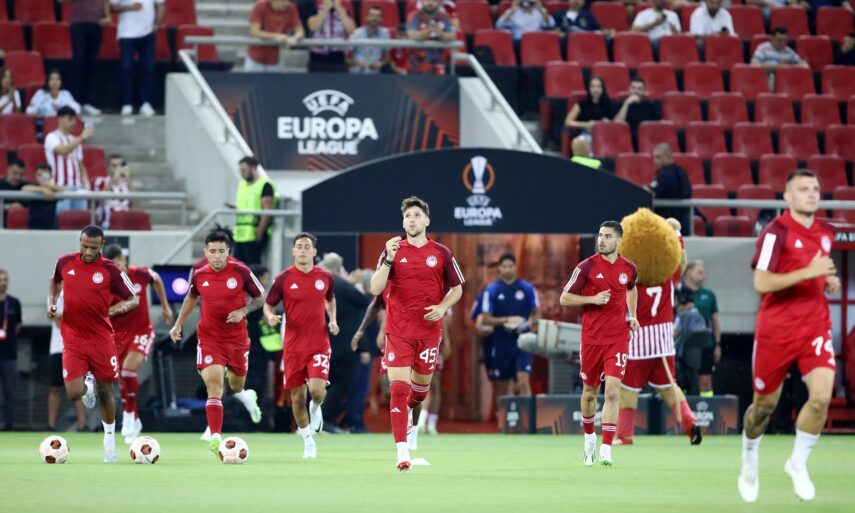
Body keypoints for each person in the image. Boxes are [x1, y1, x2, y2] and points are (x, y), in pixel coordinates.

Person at [738, 169, 839, 503]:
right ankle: (749, 453)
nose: (811, 194)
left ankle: (797, 463)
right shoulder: (775, 232)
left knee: (821, 397)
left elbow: (818, 272)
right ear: (788, 197)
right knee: (763, 408)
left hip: (815, 326)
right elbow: (761, 282)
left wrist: (826, 281)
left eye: (815, 188)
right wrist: (808, 273)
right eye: (803, 189)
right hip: (776, 330)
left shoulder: (826, 232)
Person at [369, 196, 464, 471]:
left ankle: (410, 411)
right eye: (407, 216)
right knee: (398, 389)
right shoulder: (392, 250)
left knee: (420, 392)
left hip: (428, 332)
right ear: (403, 222)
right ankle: (402, 451)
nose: (411, 220)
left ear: (427, 221)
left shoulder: (442, 253)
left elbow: (457, 289)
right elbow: (375, 289)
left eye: (416, 215)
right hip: (398, 330)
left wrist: (442, 307)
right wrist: (388, 259)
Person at [47, 225, 140, 462]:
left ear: (102, 244)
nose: (88, 251)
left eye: (93, 247)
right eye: (85, 246)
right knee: (73, 393)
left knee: (106, 390)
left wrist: (119, 308)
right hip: (73, 338)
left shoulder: (111, 270)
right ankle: (87, 387)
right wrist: (52, 303)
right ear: (80, 241)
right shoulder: (65, 262)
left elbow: (134, 299)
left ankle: (109, 440)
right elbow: (54, 282)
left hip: (101, 339)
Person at [169, 229, 265, 455]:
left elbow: (261, 298)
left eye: (221, 251)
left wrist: (243, 311)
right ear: (206, 252)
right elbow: (191, 297)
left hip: (237, 339)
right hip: (210, 338)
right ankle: (215, 436)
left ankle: (246, 395)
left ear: (228, 251)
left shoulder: (241, 271)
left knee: (236, 385)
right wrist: (178, 324)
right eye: (212, 251)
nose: (217, 256)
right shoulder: (200, 274)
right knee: (214, 386)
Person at [559, 220, 639, 466]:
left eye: (607, 236)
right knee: (589, 394)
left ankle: (606, 448)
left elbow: (631, 288)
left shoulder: (629, 268)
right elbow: (564, 298)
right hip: (592, 339)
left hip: (618, 338)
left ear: (619, 241)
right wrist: (592, 298)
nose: (601, 240)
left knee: (613, 392)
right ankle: (589, 439)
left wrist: (633, 315)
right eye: (600, 235)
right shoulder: (586, 267)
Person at [263, 232, 339, 458]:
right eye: (299, 246)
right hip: (293, 346)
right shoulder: (284, 278)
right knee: (296, 397)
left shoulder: (325, 277)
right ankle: (308, 441)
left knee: (316, 391)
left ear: (314, 251)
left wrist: (333, 319)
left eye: (307, 246)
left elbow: (330, 299)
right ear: (293, 251)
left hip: (319, 343)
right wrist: (270, 316)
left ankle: (316, 408)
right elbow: (268, 304)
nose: (303, 250)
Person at [102, 244, 172, 443]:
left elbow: (156, 279)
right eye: (113, 267)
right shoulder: (106, 286)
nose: (118, 269)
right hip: (119, 337)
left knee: (128, 370)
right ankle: (135, 420)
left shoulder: (139, 274)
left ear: (125, 261)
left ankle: (128, 416)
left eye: (119, 264)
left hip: (142, 332)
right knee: (123, 379)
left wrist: (165, 306)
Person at [480, 253, 540, 410]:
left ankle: (528, 419)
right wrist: (507, 320)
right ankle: (503, 420)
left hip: (523, 341)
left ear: (515, 267)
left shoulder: (527, 288)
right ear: (499, 268)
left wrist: (528, 325)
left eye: (510, 266)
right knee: (502, 385)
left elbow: (537, 313)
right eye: (504, 266)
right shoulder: (491, 290)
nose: (507, 270)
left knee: (523, 380)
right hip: (501, 341)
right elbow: (485, 318)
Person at [318, 253, 370, 433]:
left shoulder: (316, 284)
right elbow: (364, 300)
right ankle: (325, 418)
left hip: (318, 342)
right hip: (341, 344)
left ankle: (316, 420)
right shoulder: (341, 285)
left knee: (320, 382)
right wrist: (354, 284)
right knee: (343, 382)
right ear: (339, 268)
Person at [110, 0, 164, 116]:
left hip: (147, 33)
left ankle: (145, 102)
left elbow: (161, 5)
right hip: (127, 33)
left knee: (148, 68)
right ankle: (127, 102)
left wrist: (156, 24)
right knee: (126, 68)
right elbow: (112, 7)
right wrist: (129, 7)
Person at [60, 0, 111, 115]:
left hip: (96, 25)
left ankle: (87, 102)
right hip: (79, 25)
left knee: (91, 64)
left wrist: (107, 16)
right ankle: (76, 101)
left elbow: (106, 2)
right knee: (78, 62)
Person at [47, 292, 88, 432]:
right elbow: (56, 320)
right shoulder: (52, 298)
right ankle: (51, 425)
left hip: (76, 349)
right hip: (58, 349)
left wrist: (64, 316)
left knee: (78, 388)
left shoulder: (79, 295)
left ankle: (82, 425)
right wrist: (71, 317)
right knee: (55, 388)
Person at [681, 259, 721, 396]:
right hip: (683, 345)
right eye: (700, 272)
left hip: (705, 344)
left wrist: (717, 344)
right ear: (689, 274)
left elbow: (715, 321)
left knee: (705, 381)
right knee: (682, 380)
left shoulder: (709, 295)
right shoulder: (677, 292)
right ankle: (681, 407)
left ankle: (707, 404)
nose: (703, 276)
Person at [45, 106, 94, 214]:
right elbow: (63, 150)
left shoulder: (75, 140)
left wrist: (86, 184)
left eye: (74, 119)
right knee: (62, 219)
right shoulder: (51, 137)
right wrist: (82, 137)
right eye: (70, 119)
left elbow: (80, 164)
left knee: (80, 220)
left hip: (78, 187)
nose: (73, 123)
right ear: (60, 119)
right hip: (60, 186)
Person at [231, 156, 277, 266]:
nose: (242, 174)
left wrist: (259, 232)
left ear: (254, 168)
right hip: (241, 233)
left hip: (254, 234)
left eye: (244, 170)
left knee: (253, 267)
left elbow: (267, 211)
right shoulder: (242, 184)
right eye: (241, 171)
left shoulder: (265, 185)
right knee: (237, 267)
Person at [247, 0, 305, 72]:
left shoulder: (291, 8)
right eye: (283, 1)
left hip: (275, 59)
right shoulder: (260, 6)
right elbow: (254, 31)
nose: (286, 3)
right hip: (255, 58)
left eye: (287, 1)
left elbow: (300, 31)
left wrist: (294, 38)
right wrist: (276, 36)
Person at [645, 143, 692, 231]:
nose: (655, 160)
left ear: (668, 157)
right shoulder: (681, 172)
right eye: (654, 157)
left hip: (669, 224)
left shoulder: (667, 175)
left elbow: (650, 192)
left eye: (658, 157)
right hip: (682, 223)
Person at [406, 0, 457, 74]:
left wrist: (440, 34)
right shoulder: (414, 16)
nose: (430, 3)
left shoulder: (445, 17)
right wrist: (428, 31)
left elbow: (453, 36)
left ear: (439, 2)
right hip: (418, 64)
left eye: (433, 0)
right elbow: (411, 35)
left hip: (440, 64)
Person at [307, 0, 356, 72]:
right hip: (317, 58)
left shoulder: (345, 12)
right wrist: (326, 9)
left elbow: (351, 30)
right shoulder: (315, 10)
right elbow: (313, 27)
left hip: (338, 58)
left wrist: (339, 10)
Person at [0, 270, 22, 431]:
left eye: (5, 279)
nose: (3, 282)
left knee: (10, 391)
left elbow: (17, 326)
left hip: (9, 355)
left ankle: (8, 424)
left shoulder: (14, 303)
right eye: (1, 279)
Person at [564, 77, 613, 143]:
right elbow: (568, 122)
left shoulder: (609, 104)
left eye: (599, 86)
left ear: (603, 88)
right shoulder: (581, 104)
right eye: (593, 87)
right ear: (589, 88)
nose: (596, 90)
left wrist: (608, 124)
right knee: (577, 142)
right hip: (586, 134)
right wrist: (586, 124)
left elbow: (616, 122)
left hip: (605, 135)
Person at [347, 6, 392, 74]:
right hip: (356, 73)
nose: (375, 18)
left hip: (375, 74)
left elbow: (387, 58)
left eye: (378, 16)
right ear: (366, 17)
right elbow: (346, 59)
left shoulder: (385, 33)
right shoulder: (357, 33)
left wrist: (381, 63)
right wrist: (358, 63)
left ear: (382, 19)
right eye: (372, 15)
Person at [93, 155, 132, 229]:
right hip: (107, 224)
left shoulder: (126, 183)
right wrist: (113, 180)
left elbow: (137, 203)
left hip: (126, 222)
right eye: (114, 166)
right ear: (107, 167)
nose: (118, 169)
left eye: (120, 165)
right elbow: (99, 200)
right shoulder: (100, 181)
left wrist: (129, 180)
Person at [29, 163, 64, 230]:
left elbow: (63, 190)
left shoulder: (54, 189)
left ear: (50, 176)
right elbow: (24, 188)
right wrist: (42, 189)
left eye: (44, 175)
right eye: (39, 174)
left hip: (51, 228)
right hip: (34, 228)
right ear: (35, 176)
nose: (41, 177)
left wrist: (49, 186)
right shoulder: (33, 187)